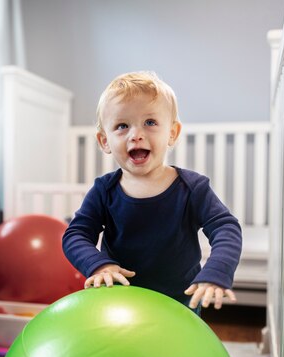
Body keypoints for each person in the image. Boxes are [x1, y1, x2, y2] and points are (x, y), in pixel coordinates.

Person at [62, 71, 242, 312]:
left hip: (180, 302)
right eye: (122, 126)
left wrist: (216, 271)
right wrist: (98, 265)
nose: (136, 135)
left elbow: (226, 228)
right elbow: (75, 235)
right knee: (121, 351)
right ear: (104, 141)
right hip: (119, 298)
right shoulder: (104, 191)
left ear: (172, 133)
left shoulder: (192, 189)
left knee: (177, 351)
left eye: (150, 122)